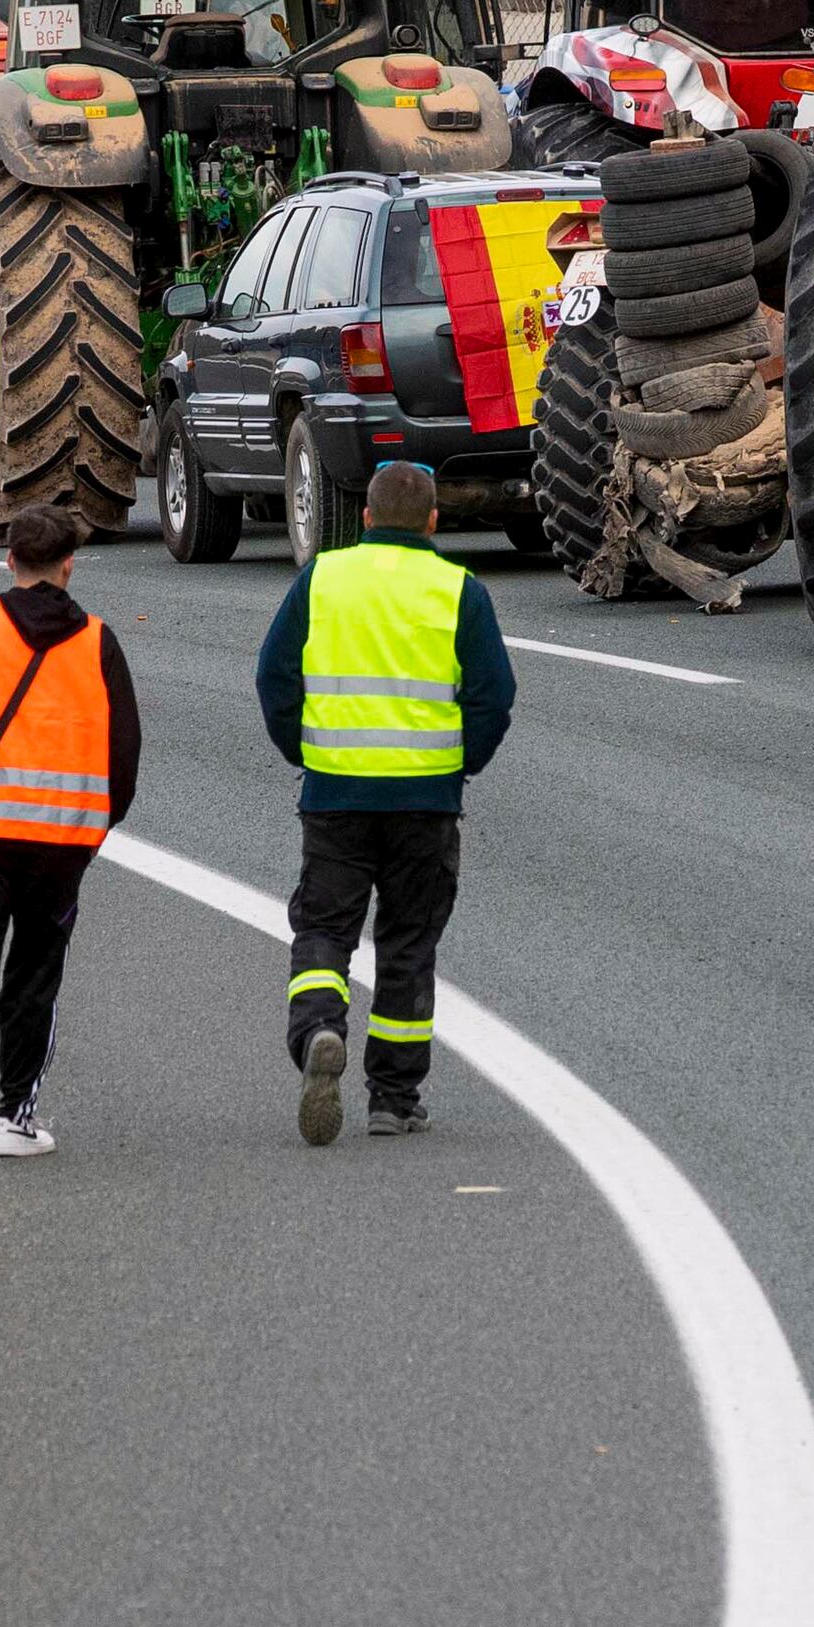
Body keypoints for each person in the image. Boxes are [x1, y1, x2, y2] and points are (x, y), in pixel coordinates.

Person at [255, 460, 515, 1143]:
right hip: (426, 804)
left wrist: (304, 749)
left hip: (335, 794)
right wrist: (458, 766)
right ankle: (394, 1099)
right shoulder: (460, 590)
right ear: (433, 520)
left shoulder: (322, 579)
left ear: (365, 517)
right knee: (408, 941)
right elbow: (495, 697)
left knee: (324, 929)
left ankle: (317, 1028)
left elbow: (273, 674)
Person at [0, 508, 140, 1166]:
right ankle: (15, 1117)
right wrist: (95, 825)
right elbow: (124, 754)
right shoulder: (99, 643)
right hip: (60, 847)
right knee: (36, 977)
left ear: (9, 559)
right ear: (69, 565)